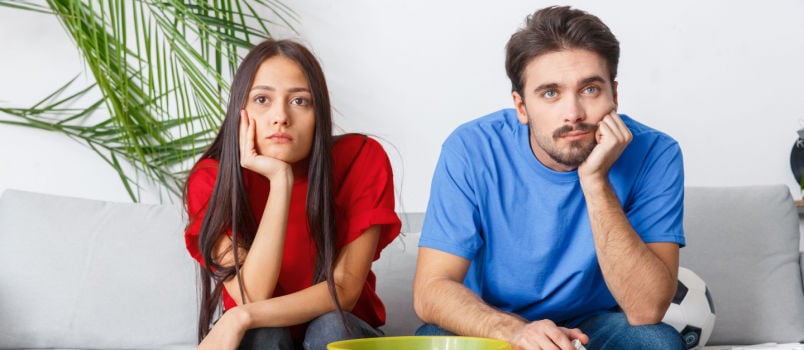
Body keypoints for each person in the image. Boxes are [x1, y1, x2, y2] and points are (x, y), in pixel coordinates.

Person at [413, 6, 686, 350]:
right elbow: (431, 290)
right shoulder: (470, 149)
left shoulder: (655, 153)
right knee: (431, 342)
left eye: (589, 89)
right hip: (494, 322)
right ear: (521, 107)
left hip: (594, 324)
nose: (573, 114)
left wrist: (595, 181)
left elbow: (646, 309)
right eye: (550, 93)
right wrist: (515, 331)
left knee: (656, 342)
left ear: (614, 95)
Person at [183, 39, 401, 350]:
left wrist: (238, 317)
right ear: (240, 112)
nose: (280, 117)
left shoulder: (361, 158)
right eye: (262, 99)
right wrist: (280, 181)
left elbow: (343, 290)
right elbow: (252, 294)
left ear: (319, 114)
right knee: (263, 333)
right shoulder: (213, 179)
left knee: (329, 327)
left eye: (300, 101)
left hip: (341, 331)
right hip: (260, 337)